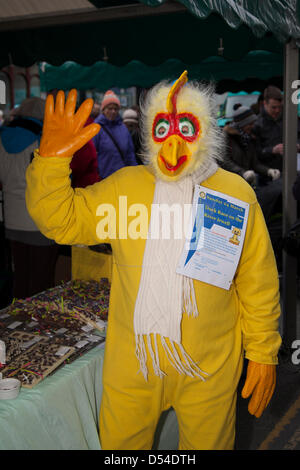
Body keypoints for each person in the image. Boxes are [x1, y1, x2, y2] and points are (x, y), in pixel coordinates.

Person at [26, 73, 281, 450]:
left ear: (207, 130)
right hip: (134, 362)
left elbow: (255, 279)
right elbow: (61, 220)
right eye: (163, 127)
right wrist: (50, 164)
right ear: (148, 131)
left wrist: (263, 351)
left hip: (209, 364)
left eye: (187, 128)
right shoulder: (125, 187)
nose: (174, 144)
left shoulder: (233, 193)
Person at [0, 97, 58, 299]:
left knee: (21, 278)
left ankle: (16, 324)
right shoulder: (44, 139)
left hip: (12, 220)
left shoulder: (1, 138)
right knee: (42, 282)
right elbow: (58, 178)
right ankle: (38, 327)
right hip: (40, 219)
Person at [222, 104, 282, 223]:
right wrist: (243, 173)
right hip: (230, 187)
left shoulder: (249, 139)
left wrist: (269, 171)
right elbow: (225, 161)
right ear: (242, 123)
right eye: (249, 123)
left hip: (246, 185)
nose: (252, 126)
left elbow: (255, 164)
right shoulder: (226, 137)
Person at [93, 90, 138, 179]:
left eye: (116, 108)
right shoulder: (96, 129)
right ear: (103, 110)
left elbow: (130, 154)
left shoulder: (123, 129)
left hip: (122, 178)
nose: (113, 111)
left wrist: (134, 173)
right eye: (110, 108)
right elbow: (91, 156)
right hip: (103, 179)